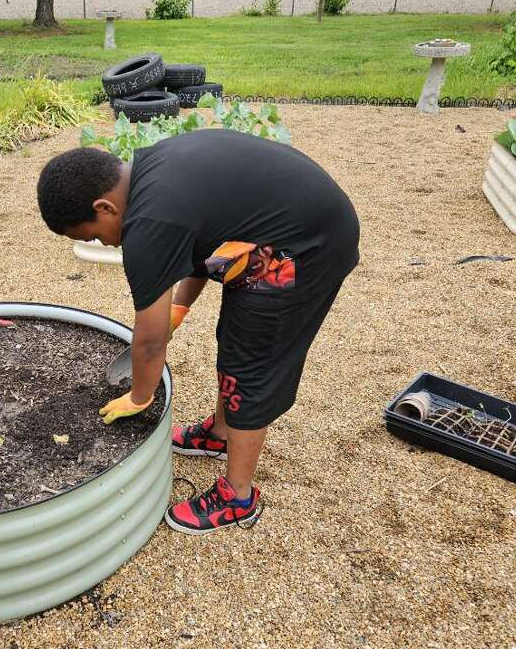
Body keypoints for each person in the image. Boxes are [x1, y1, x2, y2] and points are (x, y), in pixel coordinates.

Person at [36, 131, 360, 536]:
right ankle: (221, 434)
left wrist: (140, 396)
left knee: (251, 366)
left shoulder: (148, 223)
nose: (102, 242)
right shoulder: (149, 171)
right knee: (234, 344)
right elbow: (201, 246)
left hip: (308, 246)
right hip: (286, 227)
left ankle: (238, 497)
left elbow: (150, 342)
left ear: (104, 206)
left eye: (95, 235)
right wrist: (180, 307)